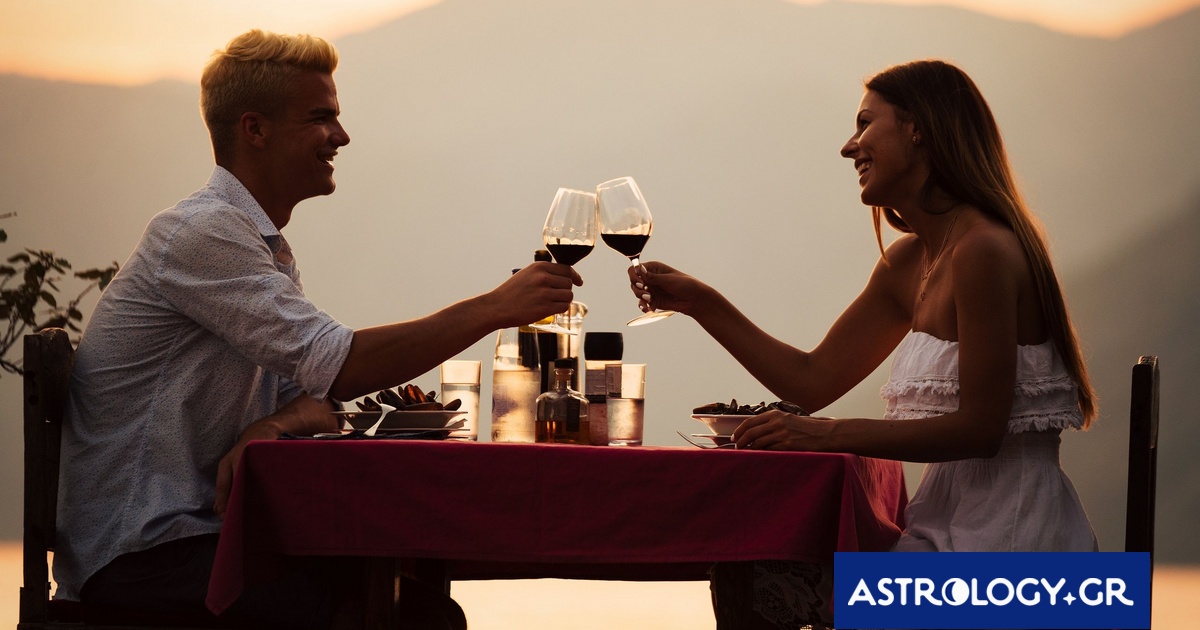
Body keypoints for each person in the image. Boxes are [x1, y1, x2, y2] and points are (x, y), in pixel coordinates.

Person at [54, 29, 579, 629]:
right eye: (320, 118)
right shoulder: (201, 234)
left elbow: (317, 399)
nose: (341, 135)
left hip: (201, 541)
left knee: (417, 601)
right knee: (411, 614)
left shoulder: (260, 245)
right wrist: (493, 309)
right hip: (141, 556)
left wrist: (275, 424)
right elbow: (341, 366)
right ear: (255, 129)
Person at [629, 59, 1098, 628]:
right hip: (938, 535)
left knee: (758, 578)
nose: (849, 147)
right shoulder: (911, 262)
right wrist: (702, 303)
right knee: (749, 565)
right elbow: (811, 380)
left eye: (865, 124)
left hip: (1011, 556)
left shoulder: (983, 251)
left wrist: (821, 435)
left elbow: (981, 429)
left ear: (918, 128)